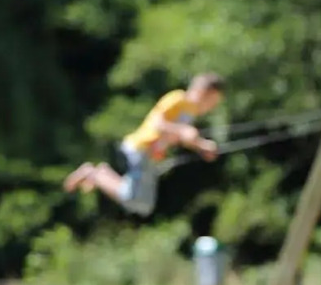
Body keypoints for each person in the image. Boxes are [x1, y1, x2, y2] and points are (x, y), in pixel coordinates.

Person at [64, 73, 225, 217]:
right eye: (212, 102)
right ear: (204, 93)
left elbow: (180, 136)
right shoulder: (178, 98)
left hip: (149, 156)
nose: (212, 107)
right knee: (134, 200)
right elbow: (157, 123)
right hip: (140, 148)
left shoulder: (191, 112)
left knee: (143, 206)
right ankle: (95, 174)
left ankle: (100, 174)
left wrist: (201, 146)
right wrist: (184, 130)